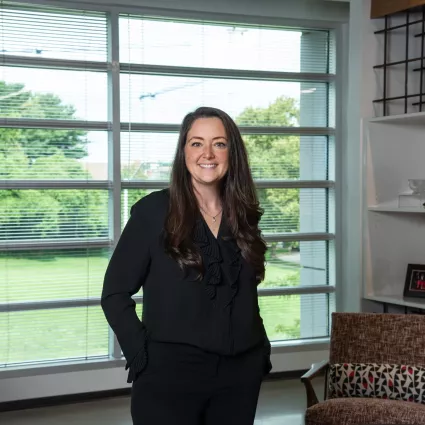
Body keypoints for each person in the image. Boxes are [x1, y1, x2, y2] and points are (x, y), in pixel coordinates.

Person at [101, 106, 272, 425]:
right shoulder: (153, 211)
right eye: (197, 143)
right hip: (169, 377)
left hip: (239, 377)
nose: (208, 153)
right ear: (183, 152)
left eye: (219, 143)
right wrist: (143, 357)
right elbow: (114, 293)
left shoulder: (244, 214)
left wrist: (259, 352)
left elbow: (246, 293)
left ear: (232, 153)